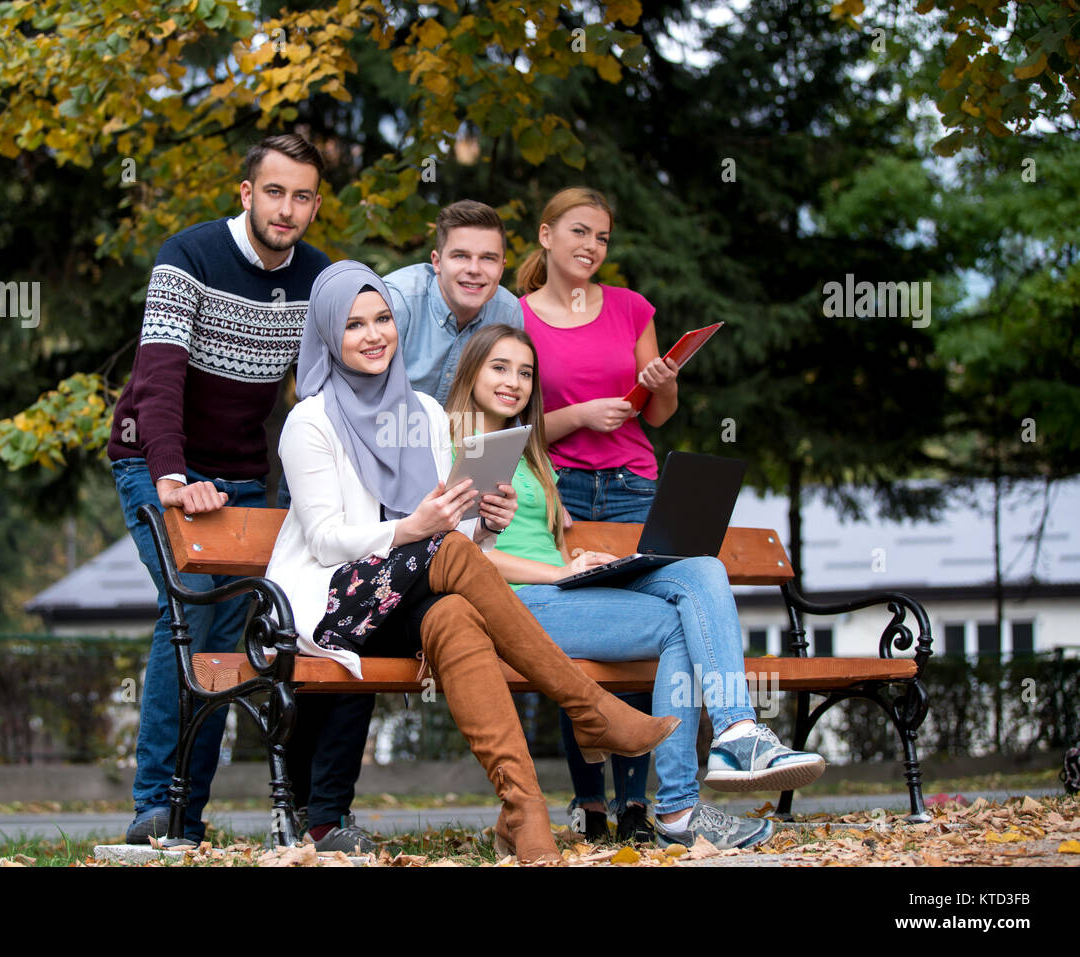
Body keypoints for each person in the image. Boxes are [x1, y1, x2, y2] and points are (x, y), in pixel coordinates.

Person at [264, 260, 680, 863]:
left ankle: (525, 812)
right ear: (329, 334)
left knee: (456, 614)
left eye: (383, 318)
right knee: (450, 553)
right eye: (354, 325)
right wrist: (417, 528)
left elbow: (452, 535)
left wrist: (484, 522)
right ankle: (589, 709)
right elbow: (326, 540)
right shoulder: (310, 422)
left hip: (405, 595)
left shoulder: (427, 415)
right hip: (330, 605)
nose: (374, 334)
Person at [442, 324, 827, 850]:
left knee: (701, 569)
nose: (515, 382)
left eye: (526, 372)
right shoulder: (451, 441)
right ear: (471, 371)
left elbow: (535, 539)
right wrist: (560, 573)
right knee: (675, 628)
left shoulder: (528, 450)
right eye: (500, 367)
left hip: (558, 587)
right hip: (510, 604)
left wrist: (580, 561)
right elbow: (460, 552)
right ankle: (678, 811)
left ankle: (737, 731)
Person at [107, 134, 333, 845]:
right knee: (192, 617)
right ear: (246, 193)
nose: (286, 208)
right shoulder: (189, 257)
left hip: (243, 476)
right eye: (274, 191)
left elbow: (327, 392)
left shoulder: (318, 281)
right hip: (154, 459)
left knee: (235, 634)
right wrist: (173, 478)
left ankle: (187, 815)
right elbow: (159, 378)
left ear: (315, 205)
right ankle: (158, 809)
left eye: (301, 196)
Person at [514, 186, 683, 841]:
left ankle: (637, 803)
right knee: (580, 644)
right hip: (562, 489)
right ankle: (590, 801)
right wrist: (577, 416)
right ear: (547, 235)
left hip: (634, 485)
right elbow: (512, 422)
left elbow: (657, 413)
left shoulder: (632, 308)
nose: (591, 246)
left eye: (602, 237)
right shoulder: (517, 315)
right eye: (579, 232)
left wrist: (664, 387)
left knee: (638, 638)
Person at [383, 200, 524, 403]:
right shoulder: (397, 303)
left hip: (466, 432)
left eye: (487, 258)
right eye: (461, 256)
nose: (474, 269)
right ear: (437, 262)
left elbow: (506, 402)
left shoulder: (508, 312)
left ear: (502, 268)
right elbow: (364, 394)